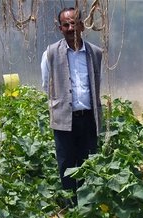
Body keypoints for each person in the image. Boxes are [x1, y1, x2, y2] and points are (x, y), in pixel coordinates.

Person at [41, 7, 104, 207]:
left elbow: (97, 82)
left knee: (88, 163)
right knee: (66, 165)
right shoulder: (51, 53)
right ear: (60, 28)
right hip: (63, 120)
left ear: (82, 26)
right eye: (66, 24)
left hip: (88, 118)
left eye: (74, 23)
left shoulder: (95, 53)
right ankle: (71, 209)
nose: (71, 28)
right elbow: (46, 84)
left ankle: (87, 207)